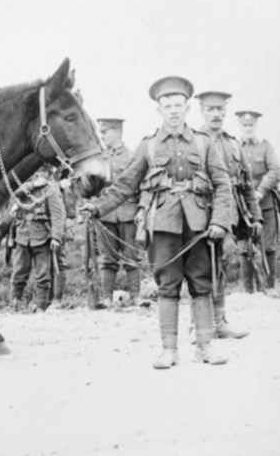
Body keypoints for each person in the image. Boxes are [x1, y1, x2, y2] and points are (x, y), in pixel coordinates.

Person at [81, 76, 232, 369]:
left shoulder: (204, 144)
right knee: (167, 286)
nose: (173, 111)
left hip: (200, 227)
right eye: (167, 106)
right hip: (162, 225)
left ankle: (205, 348)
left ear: (187, 109)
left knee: (202, 284)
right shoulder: (148, 146)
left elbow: (223, 184)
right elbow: (125, 186)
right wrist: (97, 207)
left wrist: (220, 222)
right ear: (159, 110)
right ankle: (169, 350)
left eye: (178, 105)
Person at [195, 92, 262, 339]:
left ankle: (220, 321)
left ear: (225, 111)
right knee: (200, 269)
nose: (215, 114)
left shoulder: (233, 143)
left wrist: (255, 217)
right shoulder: (194, 140)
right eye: (210, 109)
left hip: (229, 214)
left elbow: (247, 184)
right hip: (200, 212)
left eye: (219, 109)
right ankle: (199, 324)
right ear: (201, 110)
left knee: (221, 264)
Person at [94, 118, 143, 307]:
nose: (102, 136)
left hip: (128, 212)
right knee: (107, 258)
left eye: (105, 132)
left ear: (117, 131)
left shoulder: (132, 156)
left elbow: (140, 183)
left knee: (132, 255)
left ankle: (136, 297)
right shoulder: (99, 157)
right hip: (105, 214)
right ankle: (106, 298)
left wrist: (142, 209)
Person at [9, 167, 66, 312]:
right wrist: (32, 185)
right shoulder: (23, 187)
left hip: (42, 237)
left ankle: (41, 306)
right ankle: (14, 304)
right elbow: (13, 193)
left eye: (39, 173)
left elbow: (57, 214)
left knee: (43, 274)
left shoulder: (49, 189)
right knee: (19, 272)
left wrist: (56, 237)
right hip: (22, 235)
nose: (37, 176)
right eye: (34, 174)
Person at [236, 110, 280, 294]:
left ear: (256, 126)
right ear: (240, 126)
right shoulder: (235, 147)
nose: (248, 128)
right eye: (245, 125)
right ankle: (248, 290)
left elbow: (275, 170)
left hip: (265, 204)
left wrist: (260, 191)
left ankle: (270, 287)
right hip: (244, 207)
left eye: (251, 125)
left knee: (268, 245)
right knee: (245, 247)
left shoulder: (265, 146)